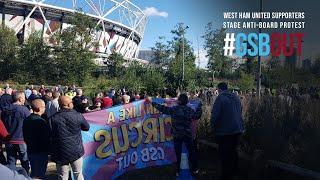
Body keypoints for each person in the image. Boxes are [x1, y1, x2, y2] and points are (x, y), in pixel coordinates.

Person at [150, 94, 202, 176]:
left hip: (177, 135)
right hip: (187, 134)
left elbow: (163, 109)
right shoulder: (189, 110)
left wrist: (153, 103)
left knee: (177, 154)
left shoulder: (174, 109)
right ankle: (195, 169)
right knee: (191, 152)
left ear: (179, 101)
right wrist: (199, 107)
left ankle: (178, 171)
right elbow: (197, 116)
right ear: (186, 102)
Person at [50, 96, 90, 180]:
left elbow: (49, 134)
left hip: (60, 152)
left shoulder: (52, 118)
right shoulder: (77, 115)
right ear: (68, 104)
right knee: (78, 174)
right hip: (76, 150)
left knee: (62, 176)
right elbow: (86, 127)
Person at [211, 82, 245, 180]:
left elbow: (214, 116)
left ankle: (226, 176)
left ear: (219, 89)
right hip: (237, 129)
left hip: (225, 131)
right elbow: (240, 111)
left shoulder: (220, 98)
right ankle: (234, 173)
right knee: (233, 152)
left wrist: (213, 128)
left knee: (225, 154)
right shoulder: (236, 97)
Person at [1, 92, 30, 173]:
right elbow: (29, 122)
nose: (24, 99)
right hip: (21, 139)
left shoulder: (5, 110)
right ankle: (26, 177)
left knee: (11, 163)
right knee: (24, 162)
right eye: (24, 97)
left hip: (9, 140)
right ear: (20, 99)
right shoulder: (23, 109)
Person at [23, 99, 50, 179]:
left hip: (31, 149)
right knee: (39, 174)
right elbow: (46, 138)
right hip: (40, 151)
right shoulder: (41, 122)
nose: (45, 109)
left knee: (35, 172)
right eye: (44, 107)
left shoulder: (26, 120)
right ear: (39, 108)